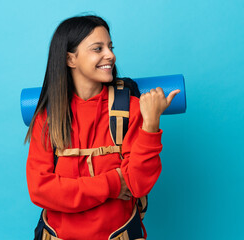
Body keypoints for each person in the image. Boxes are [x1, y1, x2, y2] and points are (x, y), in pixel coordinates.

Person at [25, 15, 180, 240]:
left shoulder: (129, 109)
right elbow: (41, 190)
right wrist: (114, 182)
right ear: (70, 59)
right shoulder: (48, 118)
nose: (110, 55)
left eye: (110, 47)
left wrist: (151, 124)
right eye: (98, 48)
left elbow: (137, 184)